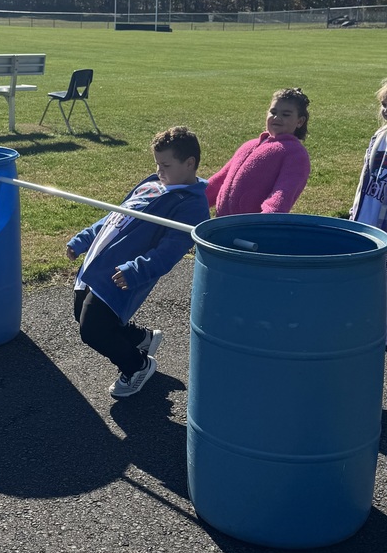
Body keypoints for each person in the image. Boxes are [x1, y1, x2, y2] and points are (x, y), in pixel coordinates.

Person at [66, 126, 209, 398]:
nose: (159, 170)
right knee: (80, 314)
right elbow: (114, 218)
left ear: (189, 163)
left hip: (122, 275)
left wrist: (136, 270)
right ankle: (142, 338)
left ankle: (137, 366)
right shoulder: (151, 185)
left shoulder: (191, 206)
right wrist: (83, 239)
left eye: (166, 164)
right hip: (96, 266)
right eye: (157, 163)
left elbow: (169, 251)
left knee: (93, 330)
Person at [205, 87, 311, 215]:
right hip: (222, 224)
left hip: (253, 228)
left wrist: (265, 221)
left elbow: (283, 194)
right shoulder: (249, 145)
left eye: (286, 114)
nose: (277, 117)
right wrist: (195, 198)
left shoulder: (295, 154)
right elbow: (219, 180)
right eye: (273, 112)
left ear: (299, 121)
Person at [350, 78, 387, 232]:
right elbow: (365, 181)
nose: (385, 110)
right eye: (384, 104)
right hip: (364, 222)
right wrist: (355, 212)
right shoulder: (379, 137)